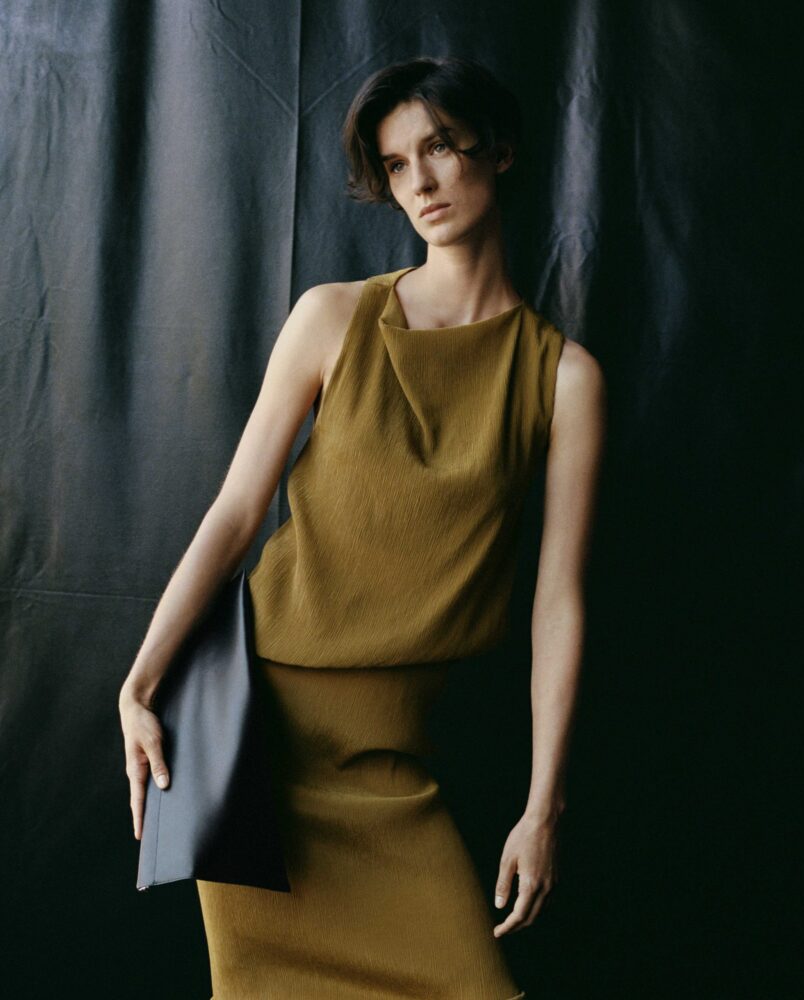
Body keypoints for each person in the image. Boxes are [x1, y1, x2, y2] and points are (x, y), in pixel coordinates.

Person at [119, 55, 605, 999]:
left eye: (441, 146)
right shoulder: (334, 317)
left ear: (499, 151)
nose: (420, 181)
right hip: (253, 740)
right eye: (395, 164)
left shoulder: (563, 377)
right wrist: (139, 684)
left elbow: (558, 603)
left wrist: (542, 806)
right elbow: (235, 513)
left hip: (393, 759)